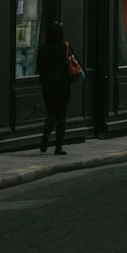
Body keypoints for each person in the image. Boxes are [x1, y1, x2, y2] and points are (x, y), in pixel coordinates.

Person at [37, 21, 75, 155]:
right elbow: (74, 63)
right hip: (63, 85)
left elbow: (38, 67)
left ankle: (45, 136)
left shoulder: (42, 48)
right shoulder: (65, 47)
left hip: (47, 85)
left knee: (51, 113)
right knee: (61, 115)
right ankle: (58, 147)